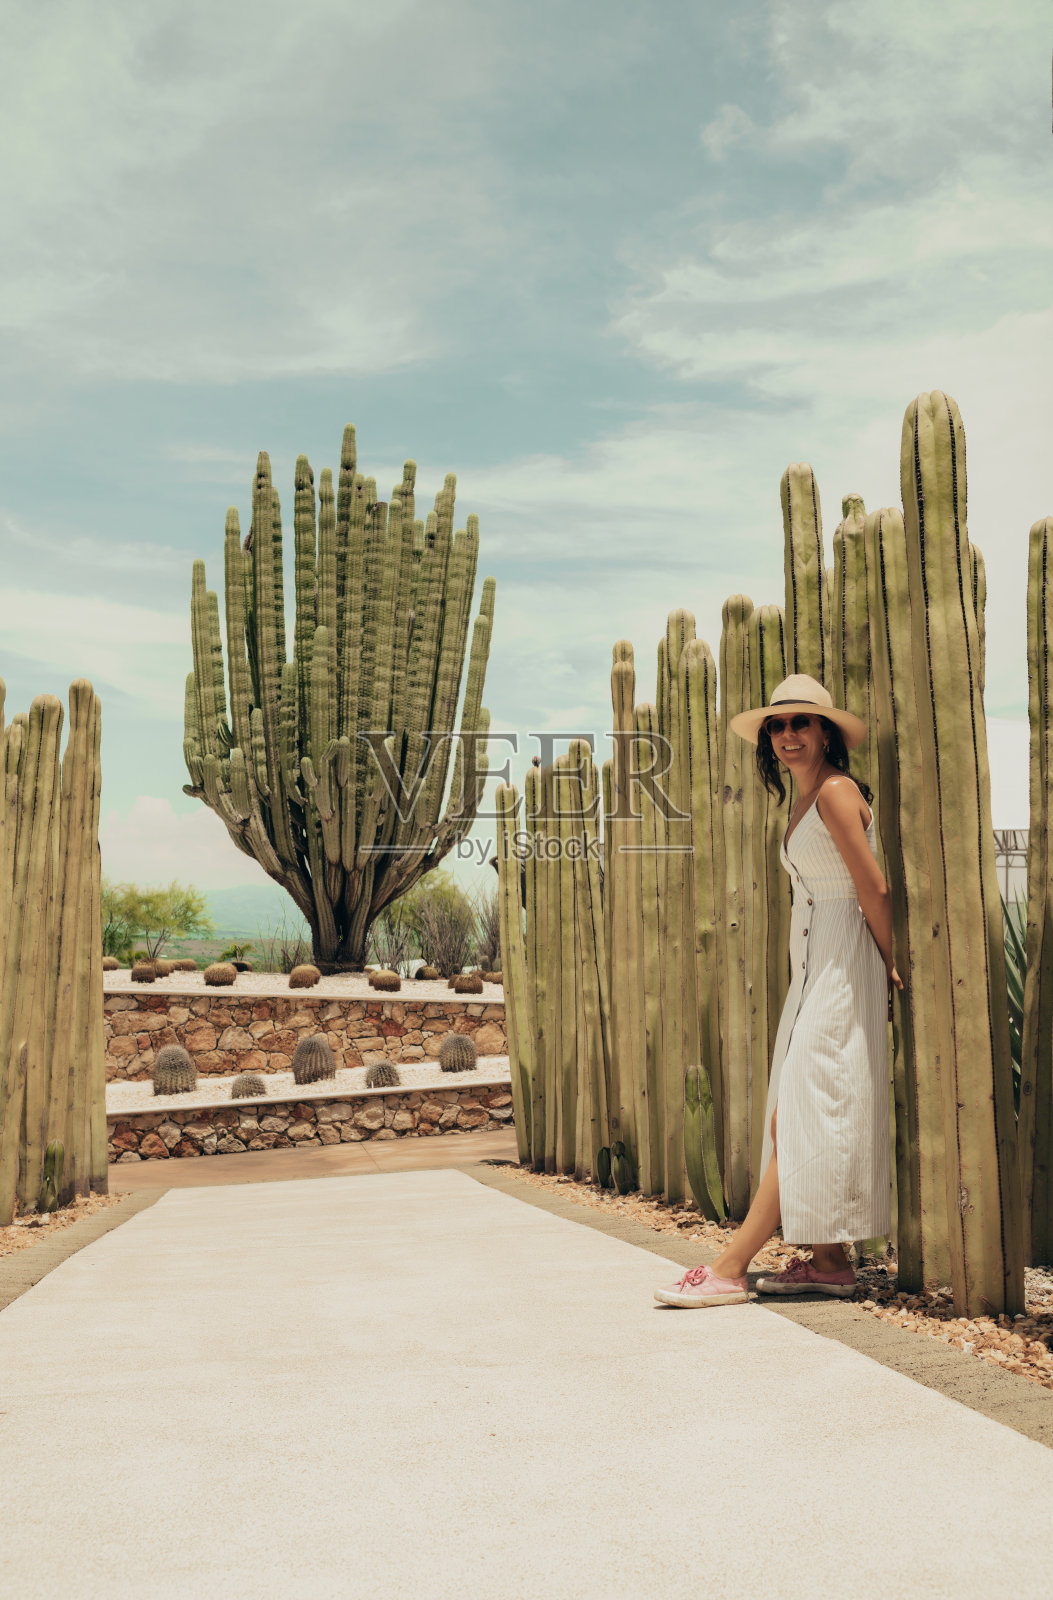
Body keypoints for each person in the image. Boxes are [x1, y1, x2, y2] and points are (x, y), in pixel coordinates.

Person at [654, 673, 903, 1308]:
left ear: (826, 733)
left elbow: (872, 888)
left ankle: (732, 1266)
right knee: (794, 1103)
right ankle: (829, 1263)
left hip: (846, 959)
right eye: (777, 725)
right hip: (816, 962)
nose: (788, 734)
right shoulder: (803, 797)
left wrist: (889, 962)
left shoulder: (837, 793)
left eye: (801, 723)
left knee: (799, 1109)